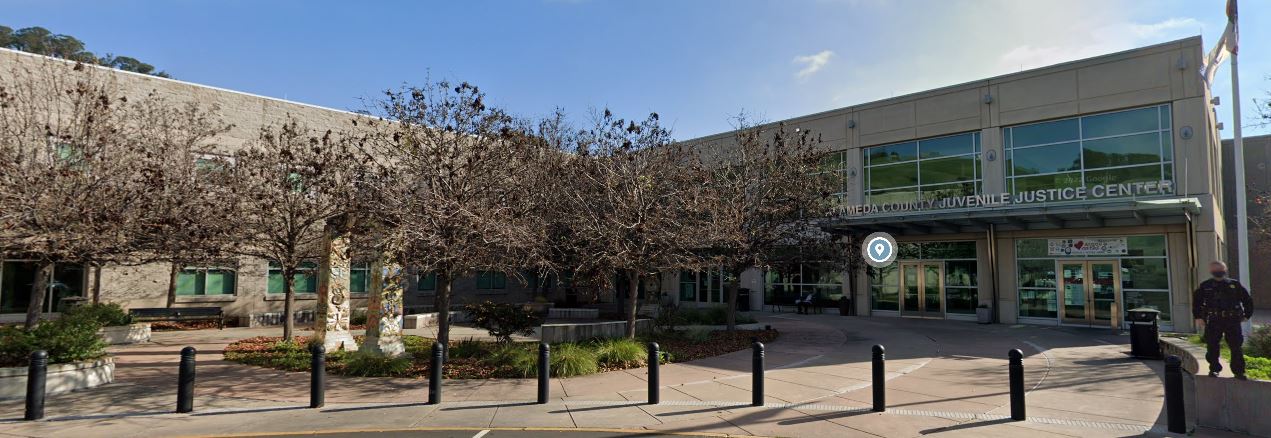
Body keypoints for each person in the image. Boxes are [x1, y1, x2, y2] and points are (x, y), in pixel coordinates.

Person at [1193, 261, 1255, 379]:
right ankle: (1214, 369)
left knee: (1236, 346)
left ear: (1225, 270)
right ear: (1211, 271)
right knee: (1212, 345)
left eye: (1221, 269)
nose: (1219, 272)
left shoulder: (1234, 285)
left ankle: (1239, 371)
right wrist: (1198, 317)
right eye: (1216, 270)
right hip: (1214, 320)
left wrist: (1247, 315)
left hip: (1232, 320)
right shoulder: (1206, 286)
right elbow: (1197, 302)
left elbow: (1247, 300)